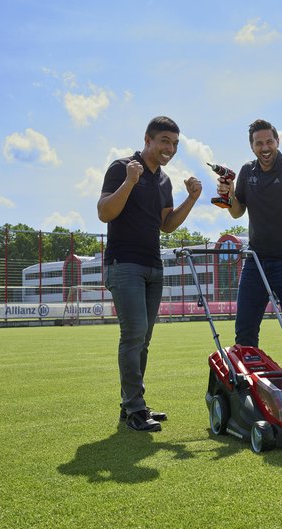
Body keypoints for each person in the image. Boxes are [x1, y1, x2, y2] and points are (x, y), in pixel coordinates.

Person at [97, 116, 202, 432]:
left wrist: (193, 198)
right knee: (133, 334)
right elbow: (104, 213)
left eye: (174, 143)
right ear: (148, 140)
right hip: (124, 264)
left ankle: (132, 405)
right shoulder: (122, 167)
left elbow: (166, 225)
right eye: (164, 141)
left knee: (142, 340)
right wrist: (129, 181)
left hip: (153, 265)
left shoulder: (164, 181)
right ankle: (134, 409)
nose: (170, 148)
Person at [217, 119, 282, 389]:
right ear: (252, 146)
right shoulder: (246, 171)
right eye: (259, 143)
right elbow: (237, 211)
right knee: (245, 330)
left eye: (269, 141)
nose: (265, 147)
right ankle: (248, 388)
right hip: (256, 262)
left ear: (277, 142)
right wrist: (228, 195)